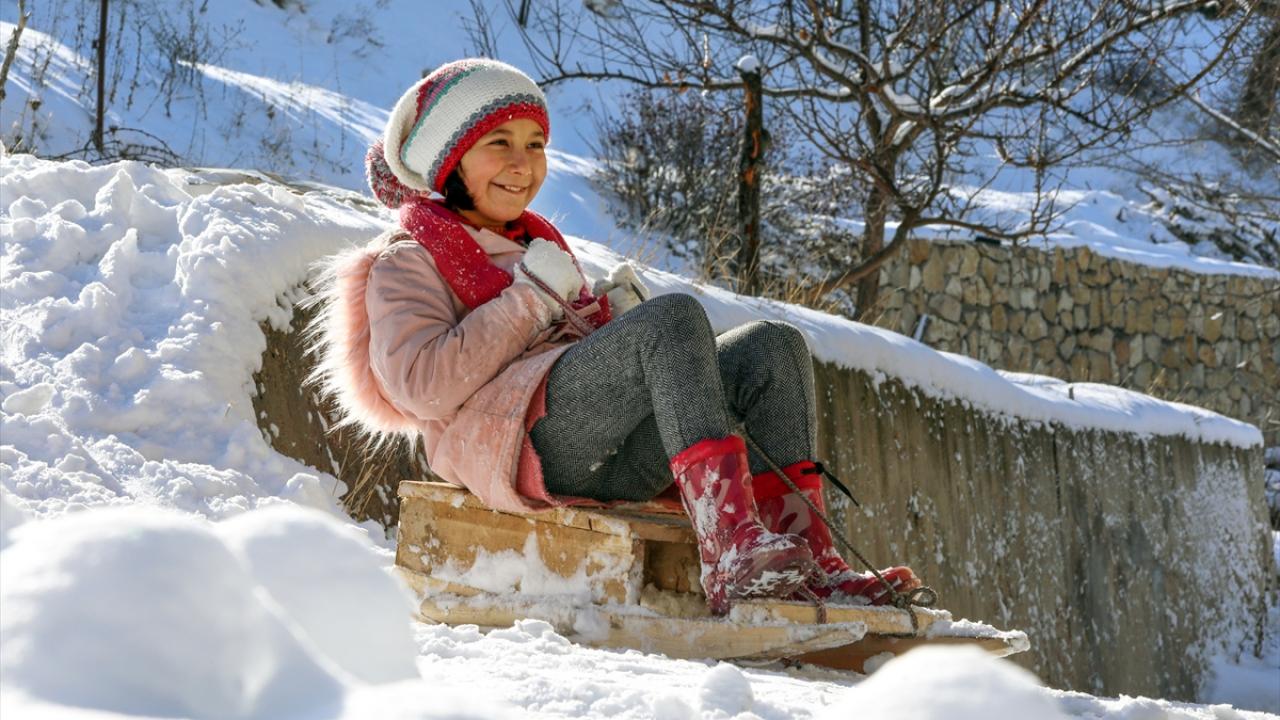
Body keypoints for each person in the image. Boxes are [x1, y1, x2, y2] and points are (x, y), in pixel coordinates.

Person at [311, 58, 918, 615]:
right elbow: (422, 388)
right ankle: (730, 549)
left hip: (602, 453)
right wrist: (532, 297)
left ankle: (810, 561)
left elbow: (561, 353)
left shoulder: (537, 245)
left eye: (535, 144)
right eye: (499, 143)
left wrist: (608, 320)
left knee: (771, 345)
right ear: (449, 162)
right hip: (514, 450)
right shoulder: (408, 260)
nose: (523, 163)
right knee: (672, 318)